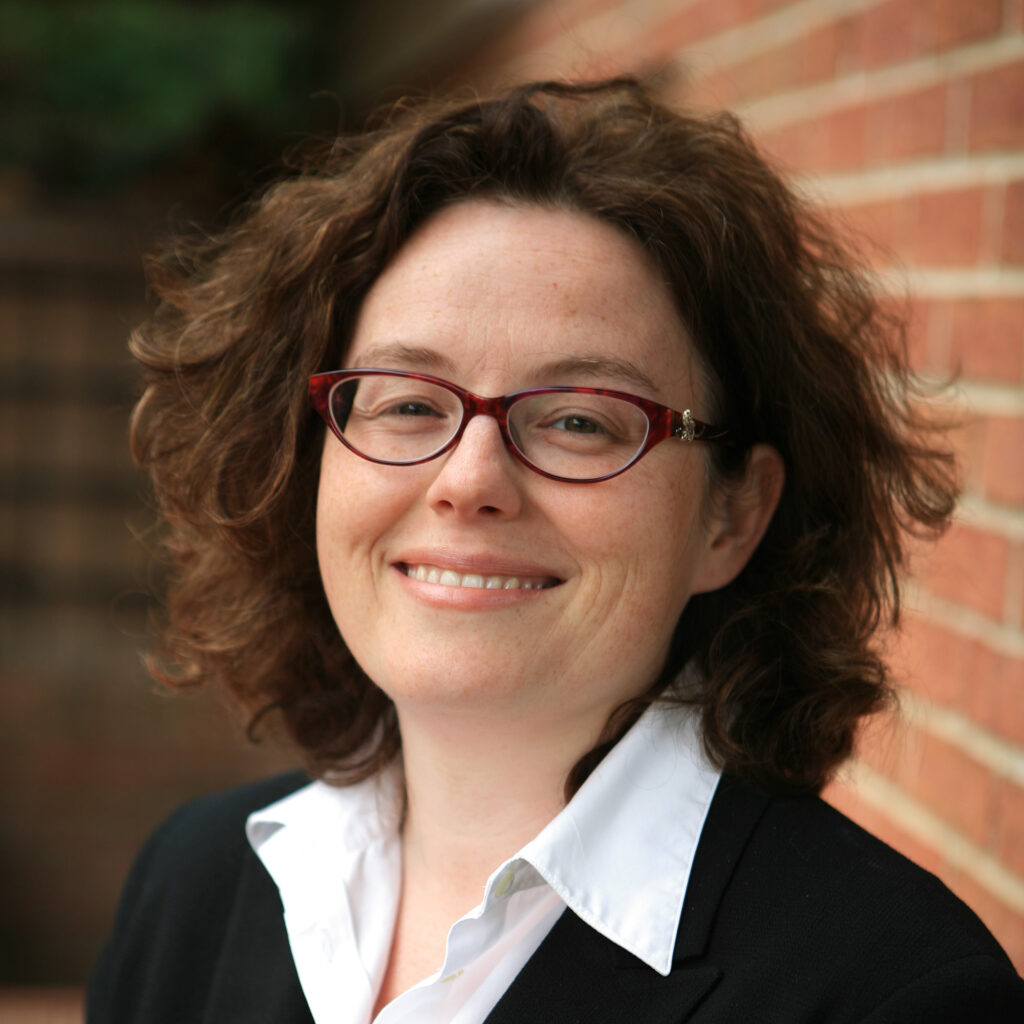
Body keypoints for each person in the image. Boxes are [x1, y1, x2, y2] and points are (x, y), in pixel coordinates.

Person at [87, 77, 1023, 1023]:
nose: (469, 480)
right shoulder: (188, 888)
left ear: (731, 517)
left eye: (580, 420)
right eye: (408, 402)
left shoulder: (898, 997)